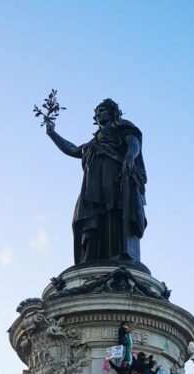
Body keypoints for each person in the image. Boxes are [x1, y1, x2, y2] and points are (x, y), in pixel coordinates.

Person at [45, 99, 147, 266]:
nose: (99, 114)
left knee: (115, 211)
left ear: (112, 112)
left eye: (102, 110)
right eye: (97, 112)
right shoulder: (93, 143)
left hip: (114, 178)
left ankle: (119, 252)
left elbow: (133, 143)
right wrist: (52, 133)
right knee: (91, 217)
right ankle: (92, 257)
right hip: (92, 187)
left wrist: (130, 156)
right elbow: (73, 149)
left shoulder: (120, 127)